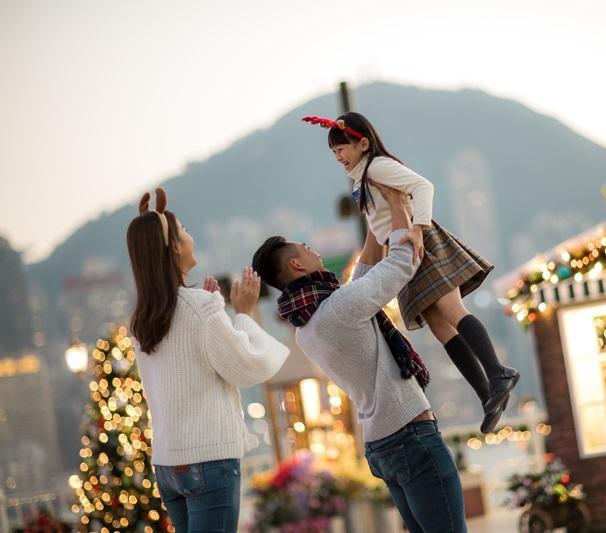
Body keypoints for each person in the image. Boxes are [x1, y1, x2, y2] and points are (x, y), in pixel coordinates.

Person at [251, 183, 467, 532]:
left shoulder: (308, 325)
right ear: (296, 264)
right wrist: (398, 204)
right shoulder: (337, 309)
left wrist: (375, 224)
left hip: (383, 444)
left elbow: (362, 281)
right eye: (304, 248)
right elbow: (400, 264)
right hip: (411, 437)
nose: (312, 248)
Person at [301, 112, 519, 433]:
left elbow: (423, 186)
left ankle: (498, 372)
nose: (339, 157)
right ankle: (487, 394)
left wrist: (418, 229)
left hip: (418, 243)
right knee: (440, 327)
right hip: (404, 250)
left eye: (343, 149)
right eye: (334, 153)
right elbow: (376, 235)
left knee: (451, 311)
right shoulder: (361, 182)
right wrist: (358, 282)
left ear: (363, 143)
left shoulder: (376, 166)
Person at [126, 188, 289, 533]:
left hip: (169, 464)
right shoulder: (198, 307)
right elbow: (247, 366)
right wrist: (242, 314)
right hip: (208, 460)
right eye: (184, 230)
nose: (190, 236)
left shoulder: (142, 319)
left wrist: (215, 315)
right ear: (172, 247)